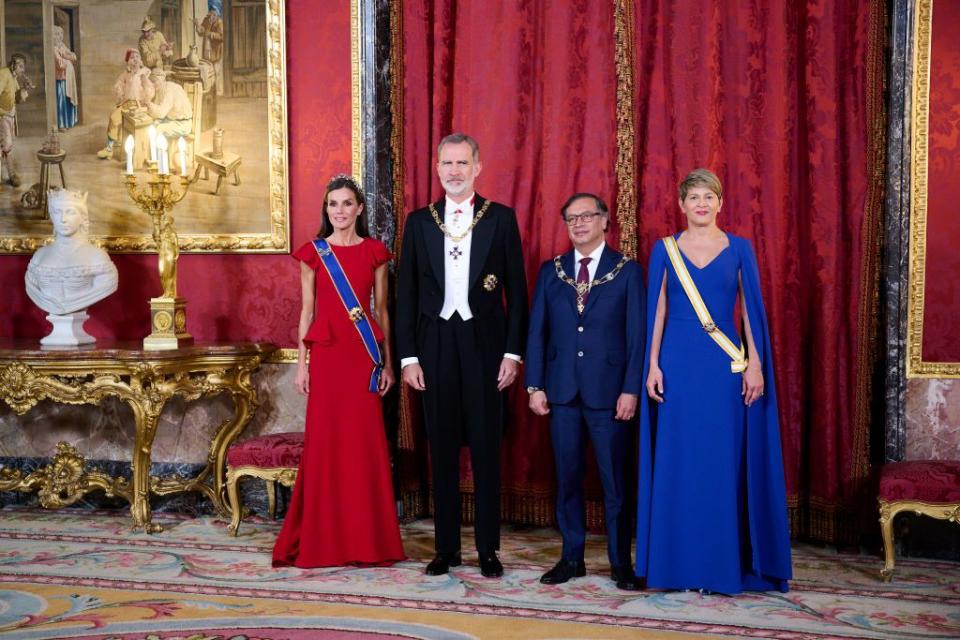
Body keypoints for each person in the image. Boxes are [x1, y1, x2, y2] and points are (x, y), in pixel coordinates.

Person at [635, 168, 792, 594]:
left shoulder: (740, 249)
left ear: (720, 203)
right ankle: (676, 566)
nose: (701, 204)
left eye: (709, 196)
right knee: (679, 462)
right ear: (681, 204)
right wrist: (651, 365)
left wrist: (756, 365)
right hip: (678, 366)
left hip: (725, 370)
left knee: (720, 462)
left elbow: (751, 314)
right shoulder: (665, 249)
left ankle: (722, 564)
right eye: (694, 197)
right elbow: (659, 310)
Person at [396, 133, 528, 578]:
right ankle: (446, 548)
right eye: (446, 163)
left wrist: (512, 353)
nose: (454, 170)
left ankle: (488, 548)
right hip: (434, 346)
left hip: (485, 345)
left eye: (462, 163)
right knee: (443, 449)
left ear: (478, 167)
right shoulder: (419, 222)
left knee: (487, 448)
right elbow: (406, 295)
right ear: (437, 169)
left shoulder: (502, 219)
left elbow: (518, 294)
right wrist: (408, 358)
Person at [272, 174, 404, 568]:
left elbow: (382, 312)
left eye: (347, 204)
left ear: (360, 208)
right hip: (328, 359)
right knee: (327, 446)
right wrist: (302, 363)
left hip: (363, 358)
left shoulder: (375, 252)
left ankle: (368, 541)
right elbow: (307, 311)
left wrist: (389, 364)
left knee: (364, 447)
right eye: (333, 204)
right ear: (326, 210)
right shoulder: (314, 253)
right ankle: (324, 537)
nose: (340, 211)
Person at [524, 193, 645, 591]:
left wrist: (630, 390)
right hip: (561, 392)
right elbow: (537, 331)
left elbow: (636, 338)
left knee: (615, 483)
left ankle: (619, 562)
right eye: (571, 218)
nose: (579, 224)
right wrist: (535, 384)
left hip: (609, 395)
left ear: (605, 220)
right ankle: (571, 557)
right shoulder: (551, 271)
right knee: (568, 477)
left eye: (587, 216)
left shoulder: (626, 271)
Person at [25, 188, 119, 317]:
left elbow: (106, 285)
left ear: (82, 217)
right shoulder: (40, 257)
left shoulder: (97, 258)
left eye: (70, 212)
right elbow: (32, 286)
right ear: (52, 216)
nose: (63, 219)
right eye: (57, 212)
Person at [97, 49, 153, 159]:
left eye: (137, 57)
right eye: (132, 58)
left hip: (140, 105)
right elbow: (118, 84)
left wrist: (145, 81)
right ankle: (109, 148)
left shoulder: (145, 72)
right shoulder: (126, 74)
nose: (135, 59)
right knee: (114, 117)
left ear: (141, 60)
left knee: (138, 123)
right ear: (128, 61)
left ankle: (140, 152)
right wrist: (119, 89)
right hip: (127, 103)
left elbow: (150, 90)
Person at [0, 53, 30, 186]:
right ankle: (10, 175)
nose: (23, 70)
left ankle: (10, 175)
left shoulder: (13, 77)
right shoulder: (4, 74)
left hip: (10, 116)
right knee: (6, 145)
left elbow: (17, 99)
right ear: (14, 65)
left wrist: (24, 88)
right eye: (21, 66)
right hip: (2, 116)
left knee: (6, 146)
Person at [145, 69, 193, 138]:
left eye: (154, 81)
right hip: (171, 120)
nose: (152, 84)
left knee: (159, 129)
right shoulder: (160, 89)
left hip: (183, 123)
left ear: (160, 80)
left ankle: (160, 148)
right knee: (152, 125)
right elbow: (157, 108)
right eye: (151, 82)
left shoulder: (169, 89)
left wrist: (149, 104)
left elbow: (161, 113)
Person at [195, 0, 224, 96]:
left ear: (217, 12)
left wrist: (211, 34)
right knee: (208, 70)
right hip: (207, 50)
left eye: (213, 11)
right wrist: (197, 25)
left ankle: (218, 92)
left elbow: (221, 36)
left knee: (217, 71)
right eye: (210, 10)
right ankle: (210, 90)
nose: (211, 13)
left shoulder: (219, 22)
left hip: (216, 51)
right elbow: (201, 32)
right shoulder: (207, 20)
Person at [52, 26, 79, 130]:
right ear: (53, 36)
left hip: (67, 78)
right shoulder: (54, 49)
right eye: (57, 34)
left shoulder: (62, 46)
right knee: (61, 101)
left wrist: (66, 56)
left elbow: (74, 56)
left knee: (68, 100)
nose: (59, 37)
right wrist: (67, 59)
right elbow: (60, 65)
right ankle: (61, 124)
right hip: (60, 79)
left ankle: (68, 123)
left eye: (61, 34)